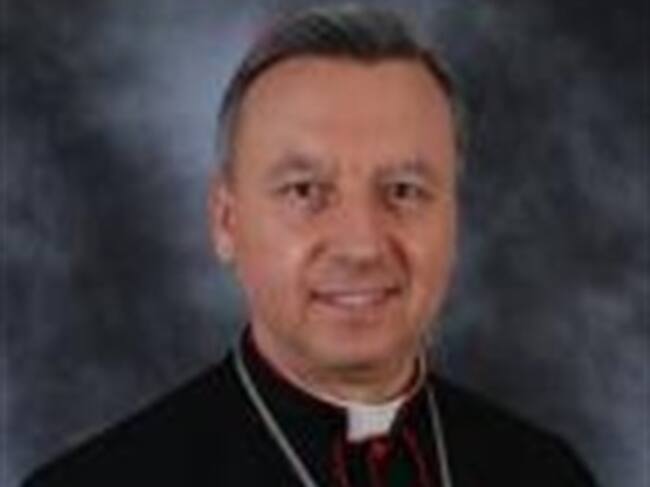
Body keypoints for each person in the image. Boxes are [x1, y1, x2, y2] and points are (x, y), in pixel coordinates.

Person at [23, 5, 599, 486]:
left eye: (404, 190)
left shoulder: (546, 472)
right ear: (226, 222)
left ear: (454, 215)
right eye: (305, 191)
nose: (361, 246)